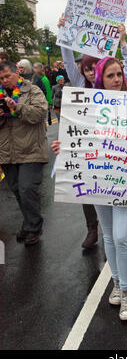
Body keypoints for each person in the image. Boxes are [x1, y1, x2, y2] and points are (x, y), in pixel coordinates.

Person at [52, 56, 127, 321]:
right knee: (109, 236)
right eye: (110, 75)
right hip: (96, 178)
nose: (117, 79)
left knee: (122, 236)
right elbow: (77, 138)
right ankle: (118, 284)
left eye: (119, 74)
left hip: (125, 178)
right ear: (100, 78)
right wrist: (63, 148)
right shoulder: (86, 106)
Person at [57, 15, 127, 249]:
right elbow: (68, 61)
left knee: (114, 195)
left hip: (115, 148)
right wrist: (64, 35)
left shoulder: (114, 82)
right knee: (88, 191)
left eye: (94, 68)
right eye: (87, 69)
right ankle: (94, 229)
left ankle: (112, 240)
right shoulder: (80, 86)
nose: (91, 73)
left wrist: (122, 41)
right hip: (88, 150)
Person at [0, 60, 48, 245]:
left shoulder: (32, 90)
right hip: (7, 152)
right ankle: (29, 223)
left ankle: (34, 227)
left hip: (31, 150)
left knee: (27, 188)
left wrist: (16, 107)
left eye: (7, 76)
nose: (4, 80)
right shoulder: (0, 93)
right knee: (17, 190)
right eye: (1, 78)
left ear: (16, 74)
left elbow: (39, 114)